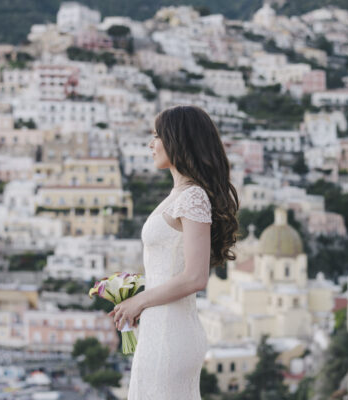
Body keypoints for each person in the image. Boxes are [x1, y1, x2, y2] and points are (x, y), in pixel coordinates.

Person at [109, 105, 239, 399]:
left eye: (157, 136)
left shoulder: (193, 197)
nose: (150, 144)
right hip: (160, 327)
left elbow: (195, 276)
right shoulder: (179, 195)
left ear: (178, 140)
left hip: (171, 331)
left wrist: (138, 302)